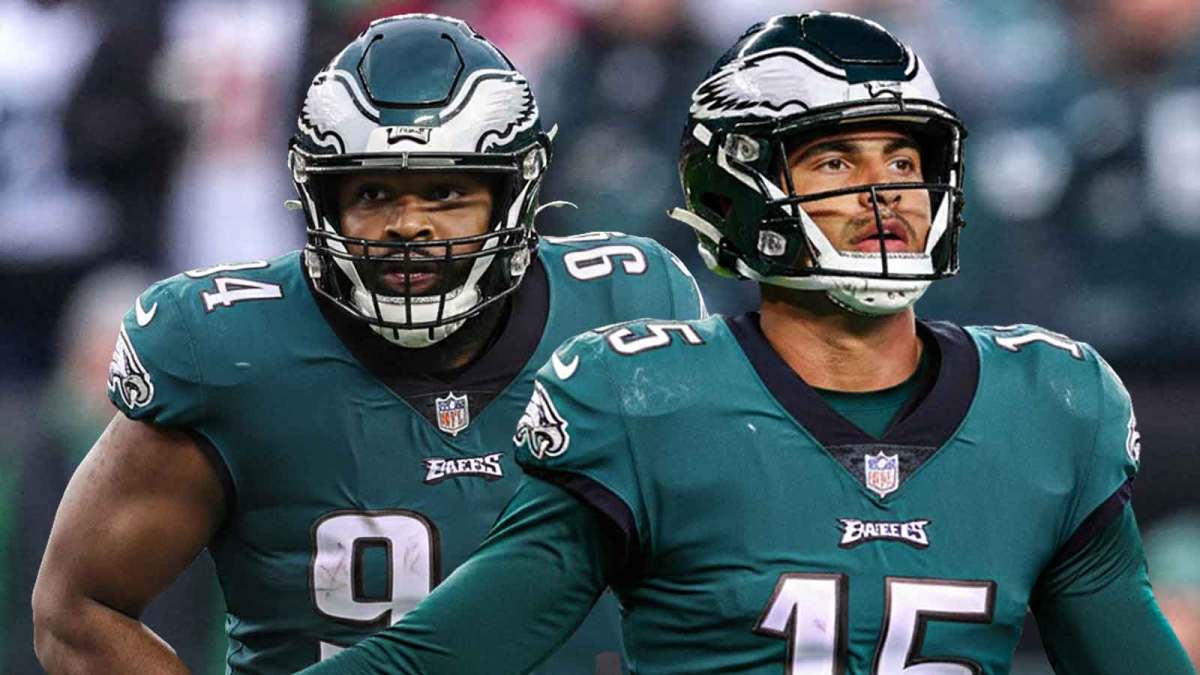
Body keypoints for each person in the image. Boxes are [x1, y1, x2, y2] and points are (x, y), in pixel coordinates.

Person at [297, 12, 1196, 675]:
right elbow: (428, 662)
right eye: (836, 162)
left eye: (904, 159)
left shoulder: (1048, 405)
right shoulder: (646, 402)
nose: (883, 193)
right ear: (739, 190)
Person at [31, 14, 705, 674]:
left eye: (444, 191)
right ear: (319, 196)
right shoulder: (227, 348)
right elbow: (78, 606)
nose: (408, 224)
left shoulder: (623, 310)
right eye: (374, 190)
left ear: (515, 194)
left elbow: (736, 566)